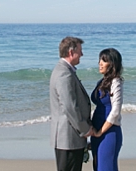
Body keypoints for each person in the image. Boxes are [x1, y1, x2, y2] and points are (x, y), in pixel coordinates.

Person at [50, 36, 92, 171]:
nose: (82, 54)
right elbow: (70, 107)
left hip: (69, 138)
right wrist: (85, 129)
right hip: (68, 139)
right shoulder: (64, 73)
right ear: (70, 52)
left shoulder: (65, 70)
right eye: (80, 50)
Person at [89, 48, 123, 171]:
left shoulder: (116, 82)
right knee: (97, 167)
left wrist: (100, 132)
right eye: (100, 60)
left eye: (104, 61)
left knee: (106, 168)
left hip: (109, 132)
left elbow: (115, 112)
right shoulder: (101, 81)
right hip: (97, 131)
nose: (100, 64)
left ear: (112, 64)